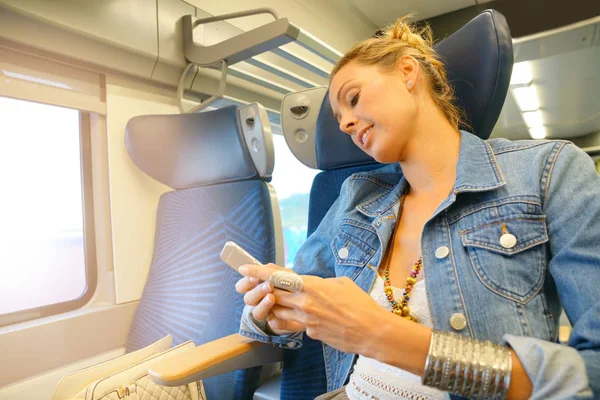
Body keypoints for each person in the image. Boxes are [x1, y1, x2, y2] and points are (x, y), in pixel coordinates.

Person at [235, 16, 600, 400]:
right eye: (340, 119)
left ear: (408, 71)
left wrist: (386, 337)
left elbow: (591, 373)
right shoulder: (357, 198)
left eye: (353, 99)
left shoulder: (548, 170)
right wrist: (270, 312)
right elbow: (289, 305)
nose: (344, 124)